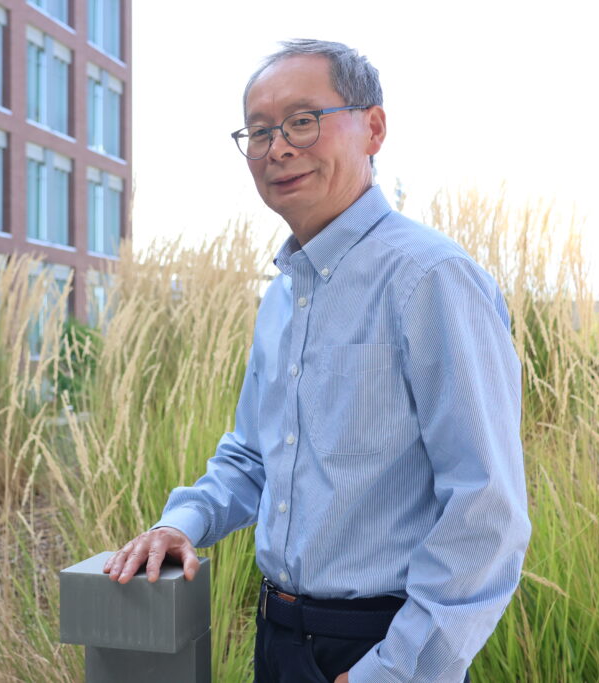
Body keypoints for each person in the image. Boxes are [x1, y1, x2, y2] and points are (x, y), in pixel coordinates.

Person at [103, 39, 531, 683]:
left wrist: (396, 670)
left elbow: (485, 507)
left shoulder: (429, 280)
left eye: (303, 121)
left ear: (374, 128)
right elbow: (253, 455)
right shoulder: (283, 291)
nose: (277, 148)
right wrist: (181, 523)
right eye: (258, 131)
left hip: (381, 646)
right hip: (278, 636)